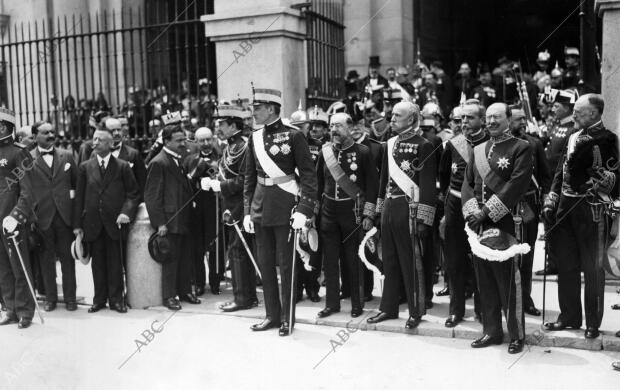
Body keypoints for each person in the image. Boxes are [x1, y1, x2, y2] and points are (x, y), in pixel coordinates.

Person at [542, 94, 619, 339]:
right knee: (566, 265)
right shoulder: (573, 136)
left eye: (579, 111)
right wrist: (552, 198)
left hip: (592, 210)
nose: (574, 115)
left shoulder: (609, 139)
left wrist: (603, 181)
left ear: (594, 113)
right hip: (565, 208)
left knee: (592, 268)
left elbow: (615, 177)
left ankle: (592, 323)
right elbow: (560, 171)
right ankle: (569, 317)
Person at [243, 87, 317, 336]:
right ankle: (271, 315)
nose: (253, 112)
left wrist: (304, 209)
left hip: (286, 206)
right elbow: (249, 178)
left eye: (258, 108)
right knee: (265, 264)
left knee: (287, 266)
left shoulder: (293, 136)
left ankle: (287, 318)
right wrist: (246, 212)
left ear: (272, 109)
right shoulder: (254, 137)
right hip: (260, 206)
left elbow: (308, 175)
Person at [462, 102, 533, 354]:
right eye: (488, 117)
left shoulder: (521, 148)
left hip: (506, 221)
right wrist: (472, 212)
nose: (491, 121)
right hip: (479, 224)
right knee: (485, 280)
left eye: (497, 117)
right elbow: (467, 184)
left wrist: (485, 213)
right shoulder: (478, 149)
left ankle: (516, 334)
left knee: (508, 282)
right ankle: (491, 331)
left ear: (508, 119)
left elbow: (516, 185)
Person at [367, 101, 437, 329]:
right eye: (392, 115)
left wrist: (423, 219)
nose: (392, 119)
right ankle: (388, 307)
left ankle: (416, 310)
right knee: (389, 261)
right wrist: (378, 211)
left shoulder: (424, 145)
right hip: (389, 207)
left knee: (411, 262)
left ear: (412, 119)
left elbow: (427, 186)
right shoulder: (388, 144)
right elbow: (382, 181)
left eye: (398, 115)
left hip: (410, 210)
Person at [315, 112, 378, 319]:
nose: (334, 130)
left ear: (350, 128)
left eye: (338, 126)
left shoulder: (363, 152)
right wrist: (313, 211)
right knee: (330, 260)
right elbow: (317, 184)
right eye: (332, 126)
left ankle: (357, 302)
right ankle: (331, 303)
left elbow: (372, 187)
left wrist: (369, 215)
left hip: (353, 212)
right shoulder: (325, 152)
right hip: (328, 213)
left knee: (353, 259)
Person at [73, 127, 139, 314]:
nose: (94, 143)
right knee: (98, 264)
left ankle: (117, 300)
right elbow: (79, 197)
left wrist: (126, 212)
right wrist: (77, 224)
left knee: (115, 263)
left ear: (110, 144)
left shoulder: (122, 166)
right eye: (93, 139)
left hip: (115, 223)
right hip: (93, 223)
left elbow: (133, 193)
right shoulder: (85, 166)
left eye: (99, 140)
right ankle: (99, 299)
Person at [438, 102, 488, 327]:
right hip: (455, 204)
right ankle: (456, 310)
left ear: (482, 120)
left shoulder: (489, 143)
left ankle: (482, 309)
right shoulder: (452, 144)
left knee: (480, 258)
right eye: (461, 119)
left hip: (480, 207)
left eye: (470, 118)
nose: (464, 123)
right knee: (454, 259)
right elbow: (444, 176)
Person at [204, 105, 258, 312]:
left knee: (238, 251)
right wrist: (213, 181)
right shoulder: (229, 147)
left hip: (241, 207)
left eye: (222, 124)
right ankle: (246, 296)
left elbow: (246, 180)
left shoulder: (243, 147)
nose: (218, 128)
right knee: (237, 251)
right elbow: (226, 173)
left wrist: (222, 186)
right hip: (231, 205)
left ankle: (242, 298)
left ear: (234, 125)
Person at [145, 119, 199, 310]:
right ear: (166, 142)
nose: (183, 143)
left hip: (182, 218)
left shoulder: (177, 159)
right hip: (169, 220)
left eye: (184, 139)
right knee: (170, 259)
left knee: (184, 258)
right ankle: (169, 296)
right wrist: (160, 223)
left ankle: (184, 291)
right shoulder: (159, 162)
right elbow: (152, 197)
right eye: (178, 140)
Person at [29, 121, 78, 312]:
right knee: (46, 260)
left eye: (52, 131)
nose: (51, 135)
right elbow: (25, 191)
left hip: (64, 217)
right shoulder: (27, 159)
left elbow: (76, 185)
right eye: (45, 132)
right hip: (42, 217)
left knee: (68, 259)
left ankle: (71, 299)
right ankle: (50, 299)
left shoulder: (66, 155)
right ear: (35, 137)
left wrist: (75, 216)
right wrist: (32, 217)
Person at [509, 107, 551, 316]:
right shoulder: (500, 145)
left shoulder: (534, 144)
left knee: (527, 253)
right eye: (518, 120)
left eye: (524, 119)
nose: (523, 122)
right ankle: (506, 299)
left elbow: (545, 176)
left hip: (528, 206)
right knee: (504, 253)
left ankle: (525, 299)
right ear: (508, 121)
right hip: (505, 207)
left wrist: (546, 201)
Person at [0, 108, 35, 329]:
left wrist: (16, 216)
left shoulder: (19, 152)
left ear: (6, 126)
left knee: (18, 267)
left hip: (11, 221)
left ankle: (24, 311)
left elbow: (28, 191)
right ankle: (10, 308)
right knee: (2, 267)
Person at [184, 127, 224, 296]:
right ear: (196, 142)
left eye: (208, 139)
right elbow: (185, 184)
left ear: (213, 139)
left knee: (215, 246)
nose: (206, 143)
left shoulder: (221, 158)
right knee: (197, 248)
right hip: (196, 209)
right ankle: (199, 282)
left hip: (215, 207)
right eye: (202, 140)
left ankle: (215, 282)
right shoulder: (190, 160)